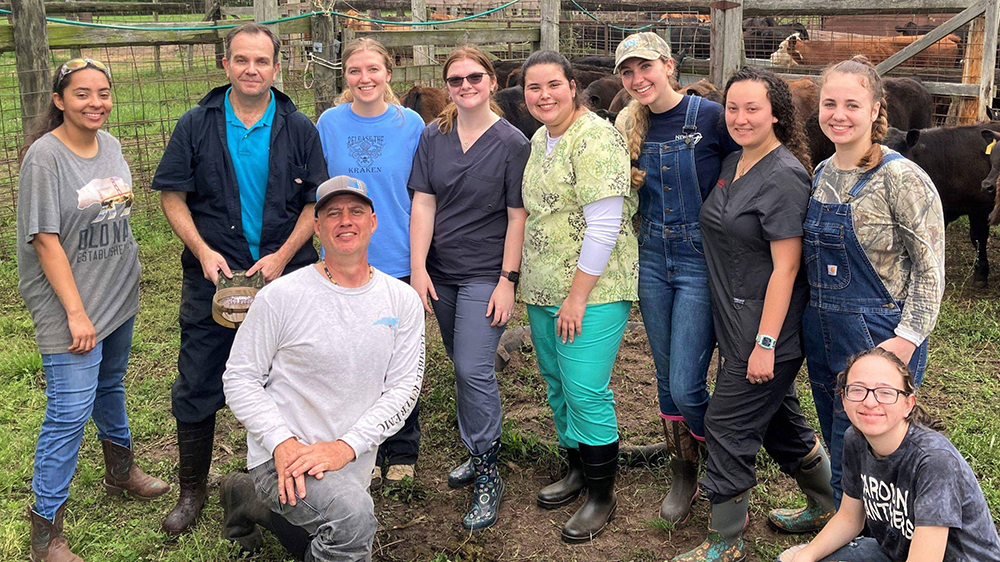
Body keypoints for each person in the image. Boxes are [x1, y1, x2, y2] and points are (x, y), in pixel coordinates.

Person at [151, 22, 329, 535]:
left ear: (277, 67)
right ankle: (192, 491)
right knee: (198, 379)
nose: (252, 70)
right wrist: (203, 252)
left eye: (262, 61)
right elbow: (171, 194)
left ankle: (293, 479)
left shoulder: (298, 127)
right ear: (225, 64)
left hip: (286, 277)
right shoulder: (196, 124)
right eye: (241, 60)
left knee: (292, 377)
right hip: (216, 277)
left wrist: (281, 257)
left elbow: (314, 201)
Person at [673, 66, 835, 562]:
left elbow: (787, 270)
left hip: (767, 331)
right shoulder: (733, 162)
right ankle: (827, 504)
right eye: (734, 108)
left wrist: (765, 344)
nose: (741, 118)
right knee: (780, 422)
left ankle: (726, 539)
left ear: (777, 116)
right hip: (735, 320)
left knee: (726, 426)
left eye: (753, 109)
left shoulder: (784, 177)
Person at [219, 176, 424, 562]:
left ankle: (243, 496)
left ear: (374, 221)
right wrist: (281, 441)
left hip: (348, 462)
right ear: (317, 227)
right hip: (283, 457)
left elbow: (404, 389)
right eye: (333, 213)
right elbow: (240, 377)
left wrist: (345, 447)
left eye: (356, 212)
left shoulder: (402, 300)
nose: (345, 221)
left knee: (326, 532)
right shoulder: (281, 297)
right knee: (353, 520)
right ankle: (260, 488)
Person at [17, 58, 170, 562]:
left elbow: (115, 218)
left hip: (117, 293)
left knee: (111, 383)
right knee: (68, 410)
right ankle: (46, 532)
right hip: (71, 305)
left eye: (102, 93)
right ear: (59, 100)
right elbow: (44, 240)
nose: (95, 103)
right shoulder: (45, 158)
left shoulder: (113, 146)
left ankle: (121, 470)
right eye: (81, 94)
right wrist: (77, 314)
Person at [803, 56, 945, 503]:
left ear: (876, 109)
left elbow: (930, 269)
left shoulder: (901, 177)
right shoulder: (821, 174)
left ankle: (878, 534)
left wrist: (904, 342)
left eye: (852, 104)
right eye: (830, 103)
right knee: (837, 429)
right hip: (824, 328)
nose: (839, 115)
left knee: (880, 443)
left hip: (880, 333)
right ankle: (841, 515)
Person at [613, 32, 740, 524]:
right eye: (628, 71)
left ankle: (727, 461)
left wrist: (727, 206)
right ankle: (684, 467)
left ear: (668, 65)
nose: (637, 79)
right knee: (665, 378)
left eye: (645, 67)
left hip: (698, 261)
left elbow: (744, 161)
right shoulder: (625, 123)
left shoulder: (708, 116)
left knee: (688, 385)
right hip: (650, 257)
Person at [408, 44, 529, 532]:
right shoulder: (433, 137)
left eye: (474, 77)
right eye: (455, 80)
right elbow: (424, 205)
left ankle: (487, 470)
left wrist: (507, 281)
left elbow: (516, 216)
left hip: (486, 273)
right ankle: (476, 449)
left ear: (491, 81)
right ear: (447, 87)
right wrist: (419, 269)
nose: (465, 86)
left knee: (474, 367)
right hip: (441, 272)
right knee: (460, 366)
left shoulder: (513, 142)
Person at [520, 50, 638, 543]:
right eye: (533, 88)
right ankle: (575, 469)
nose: (544, 95)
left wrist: (576, 297)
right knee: (557, 382)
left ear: (573, 86)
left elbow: (605, 223)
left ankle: (600, 493)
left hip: (593, 288)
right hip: (542, 286)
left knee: (586, 388)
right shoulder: (541, 138)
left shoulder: (596, 137)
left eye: (553, 85)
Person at [315, 37, 425, 488]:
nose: (365, 79)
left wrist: (420, 262)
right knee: (348, 355)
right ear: (346, 76)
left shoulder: (411, 123)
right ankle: (359, 445)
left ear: (388, 74)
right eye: (356, 71)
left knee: (398, 356)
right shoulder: (328, 123)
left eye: (373, 70)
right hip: (340, 255)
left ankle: (402, 446)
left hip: (395, 252)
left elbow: (422, 194)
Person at [779, 348, 1000, 562]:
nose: (870, 401)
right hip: (896, 553)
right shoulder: (855, 439)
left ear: (908, 404)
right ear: (844, 399)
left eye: (885, 392)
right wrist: (806, 557)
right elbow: (849, 518)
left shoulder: (934, 460)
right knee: (789, 559)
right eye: (857, 389)